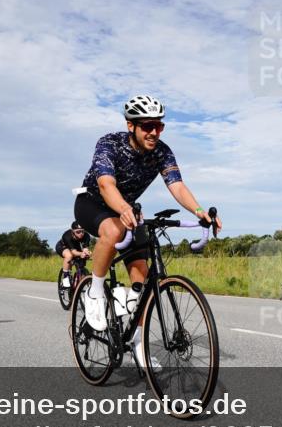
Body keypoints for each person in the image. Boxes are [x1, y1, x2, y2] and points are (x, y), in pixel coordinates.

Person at [75, 95, 221, 341]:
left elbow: (177, 186)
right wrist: (122, 208)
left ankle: (138, 345)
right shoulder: (109, 143)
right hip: (93, 203)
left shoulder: (162, 152)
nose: (154, 132)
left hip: (128, 212)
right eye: (147, 126)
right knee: (113, 231)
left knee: (142, 276)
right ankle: (95, 292)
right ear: (130, 125)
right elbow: (105, 183)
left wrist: (199, 211)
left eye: (159, 126)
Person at [57, 221, 92, 287]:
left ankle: (79, 280)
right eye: (78, 232)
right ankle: (65, 277)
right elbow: (73, 252)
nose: (81, 234)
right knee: (69, 255)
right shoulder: (67, 236)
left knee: (81, 262)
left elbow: (85, 249)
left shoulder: (86, 236)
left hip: (75, 247)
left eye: (82, 231)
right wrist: (81, 253)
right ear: (73, 231)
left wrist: (87, 252)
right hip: (63, 246)